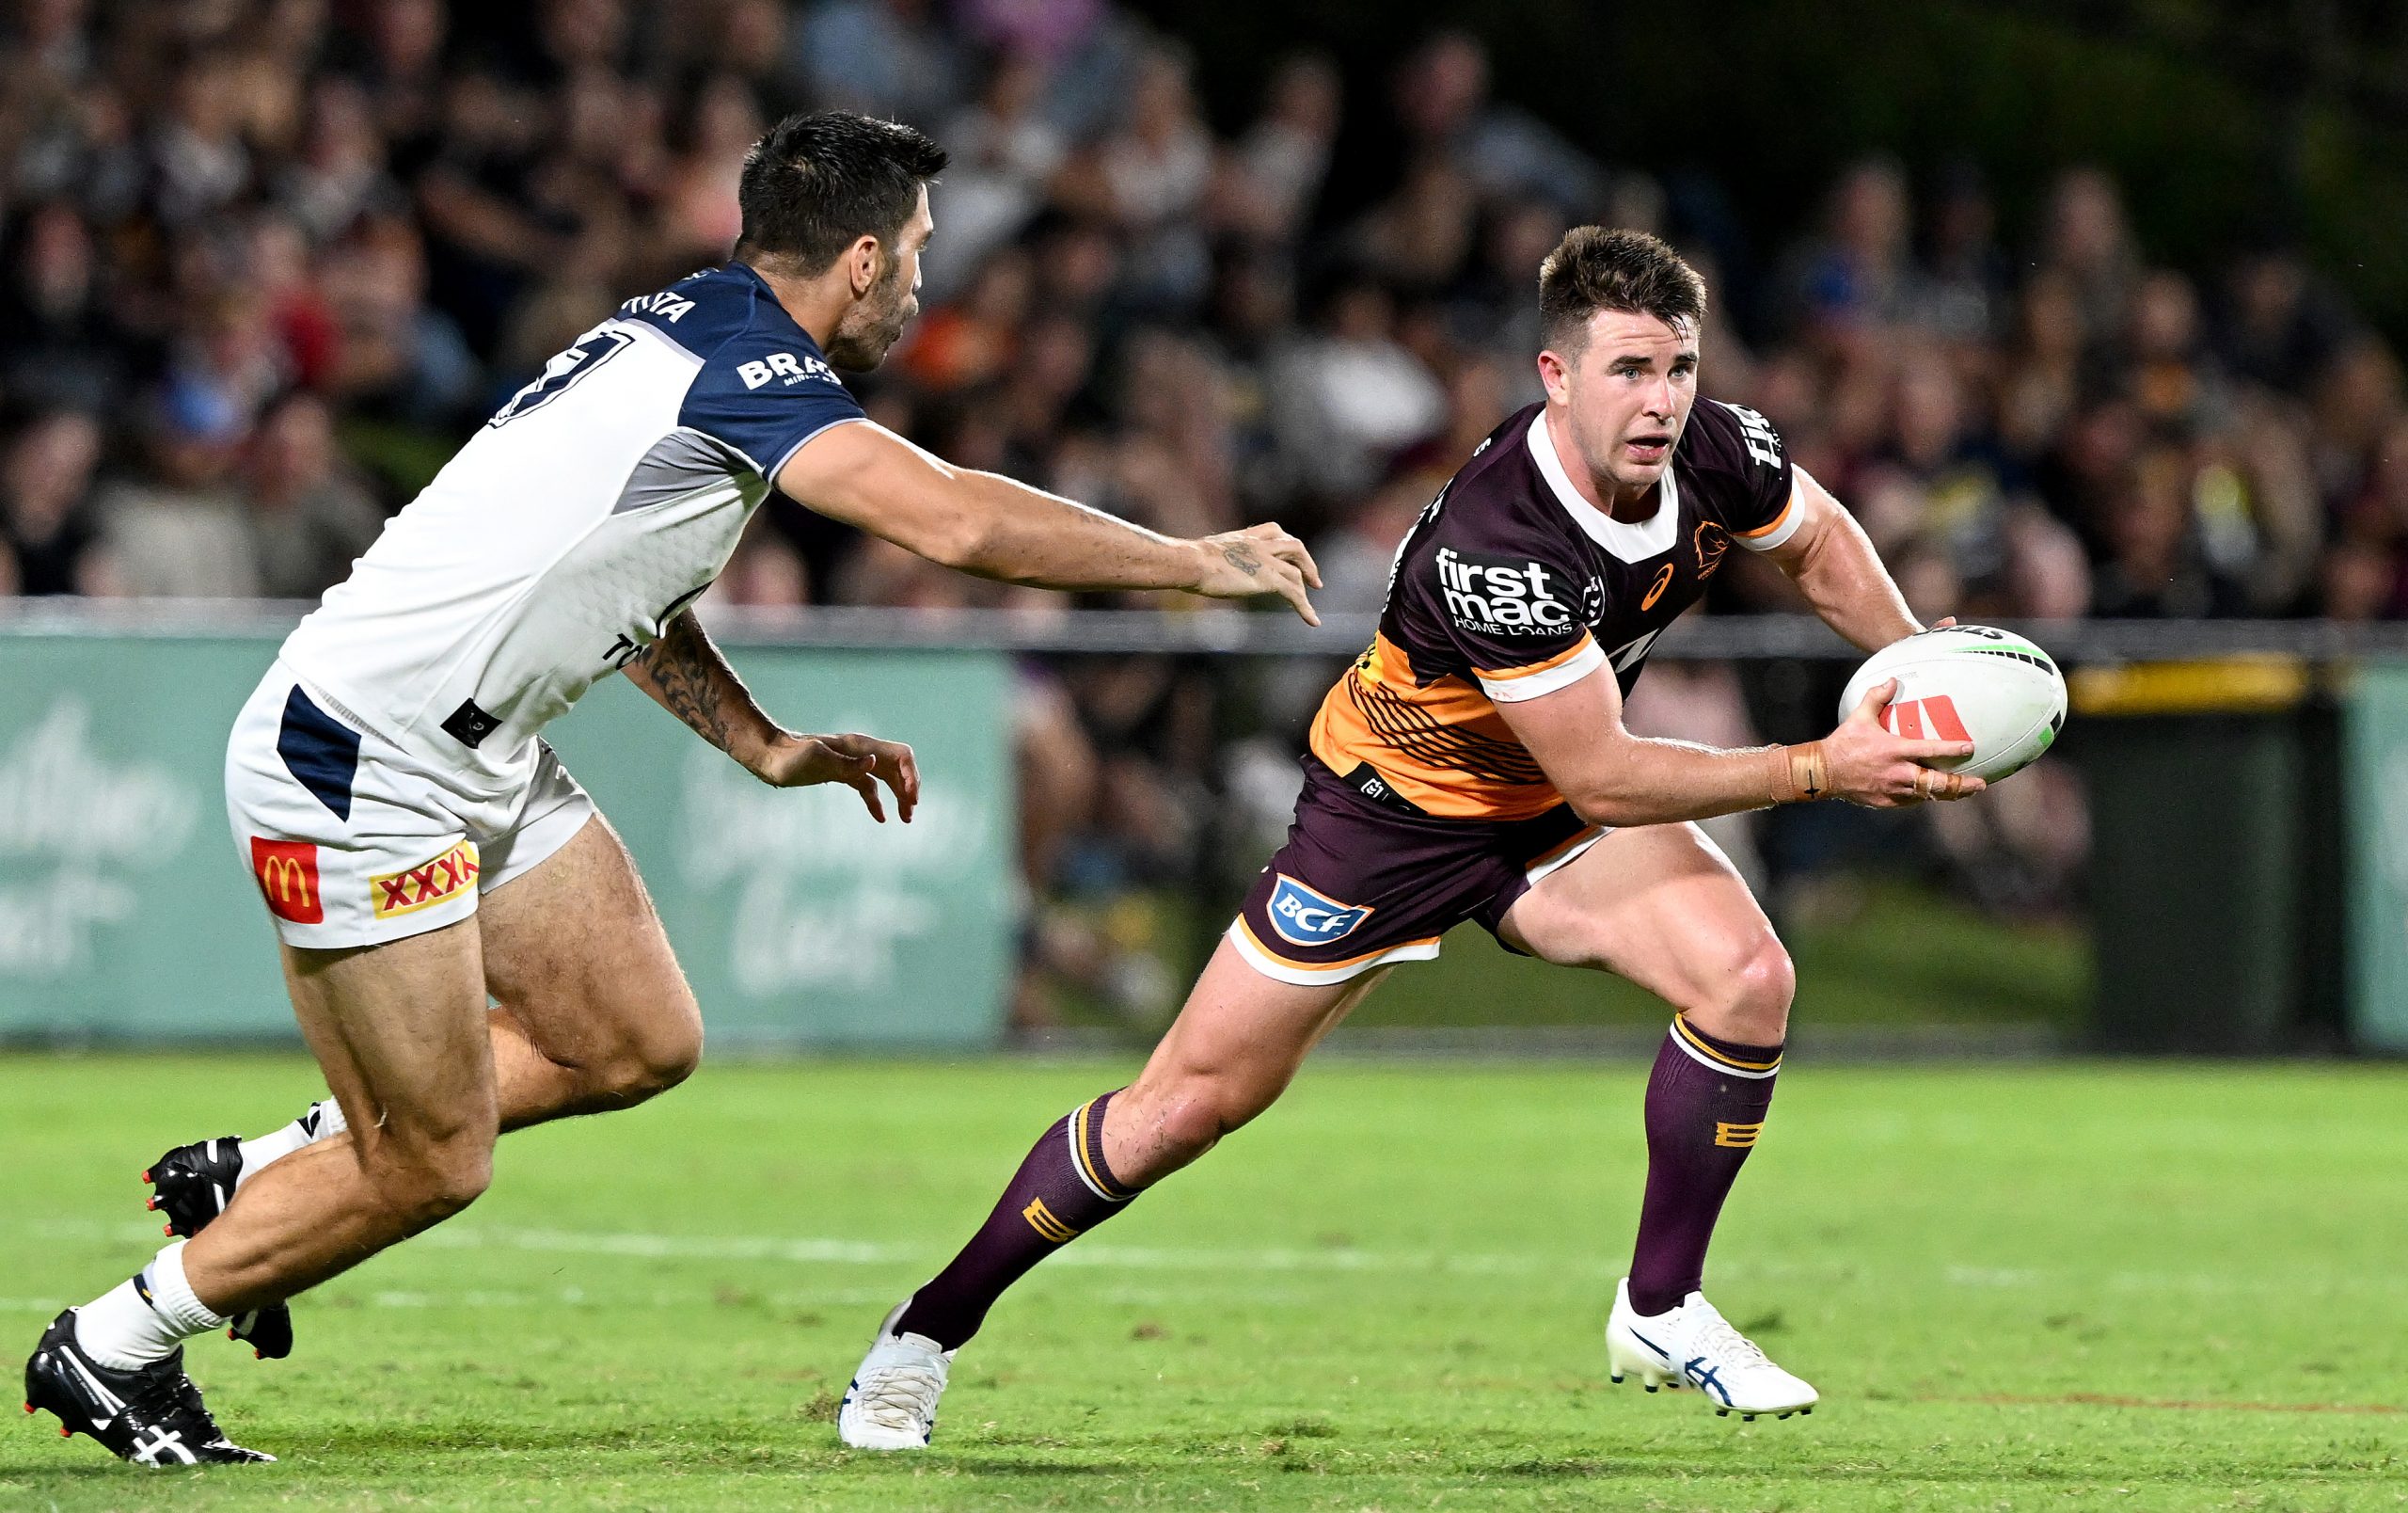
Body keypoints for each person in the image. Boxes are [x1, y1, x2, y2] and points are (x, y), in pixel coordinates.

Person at [22, 111, 1319, 1469]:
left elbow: (616, 569)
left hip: (475, 753)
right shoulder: (746, 368)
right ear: (863, 261)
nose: (929, 283)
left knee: (637, 1038)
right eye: (922, 253)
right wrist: (1193, 561)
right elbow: (955, 521)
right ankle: (115, 1342)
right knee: (434, 1161)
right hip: (361, 764)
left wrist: (761, 742)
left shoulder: (689, 331)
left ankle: (264, 1171)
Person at [837, 228, 1979, 1450]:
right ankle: (922, 1334)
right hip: (1389, 825)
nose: (1661, 402)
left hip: (1540, 818)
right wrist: (1824, 765)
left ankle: (1662, 1305)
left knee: (1748, 980)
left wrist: (1911, 662)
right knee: (1181, 1111)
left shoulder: (1716, 446)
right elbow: (1604, 768)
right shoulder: (1504, 545)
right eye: (1629, 372)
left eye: (1679, 369)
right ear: (1555, 374)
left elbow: (1812, 540)